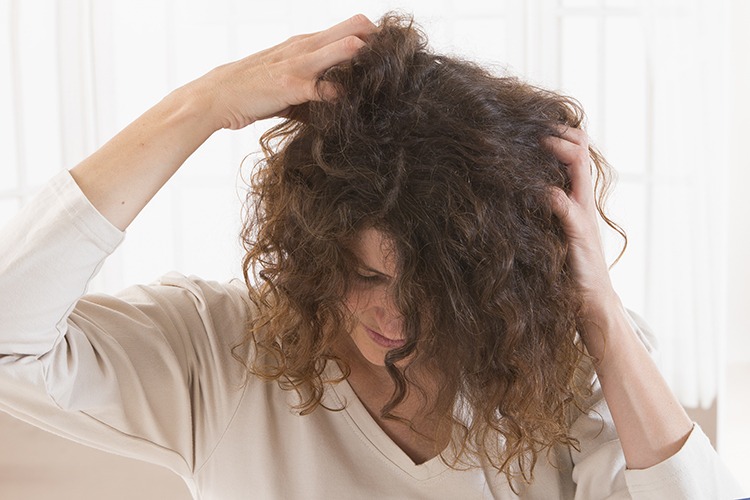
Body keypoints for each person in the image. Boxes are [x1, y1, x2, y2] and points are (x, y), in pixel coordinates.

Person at [0, 12, 743, 499]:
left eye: (432, 286)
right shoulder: (219, 349)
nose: (392, 314)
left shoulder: (561, 363)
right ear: (316, 249)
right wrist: (200, 107)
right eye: (365, 274)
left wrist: (601, 315)